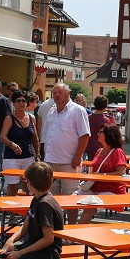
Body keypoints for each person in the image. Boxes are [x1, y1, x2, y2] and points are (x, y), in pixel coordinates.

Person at [41, 82, 90, 215]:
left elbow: (85, 136)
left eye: (60, 92)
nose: (56, 95)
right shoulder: (51, 111)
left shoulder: (78, 110)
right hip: (50, 161)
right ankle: (54, 228)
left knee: (71, 197)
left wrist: (78, 157)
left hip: (69, 162)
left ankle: (71, 230)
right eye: (54, 93)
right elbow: (47, 135)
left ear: (68, 94)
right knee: (50, 197)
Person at [77, 124, 127, 224]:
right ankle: (75, 230)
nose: (97, 133)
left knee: (89, 209)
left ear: (109, 135)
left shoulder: (117, 152)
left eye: (100, 132)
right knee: (71, 199)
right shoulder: (99, 151)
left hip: (111, 190)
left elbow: (121, 172)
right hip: (94, 188)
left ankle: (73, 236)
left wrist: (102, 175)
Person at [0, 91, 39, 195]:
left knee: (29, 187)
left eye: (23, 101)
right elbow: (2, 137)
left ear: (27, 103)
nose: (21, 103)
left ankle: (26, 210)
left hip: (28, 157)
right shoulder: (9, 119)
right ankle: (10, 211)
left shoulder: (32, 118)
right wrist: (11, 144)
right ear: (13, 103)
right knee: (13, 186)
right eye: (18, 101)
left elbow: (35, 138)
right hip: (11, 158)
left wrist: (37, 154)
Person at [85, 95, 113, 161]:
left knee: (91, 166)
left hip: (90, 146)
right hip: (101, 147)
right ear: (105, 106)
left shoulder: (88, 118)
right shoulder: (106, 120)